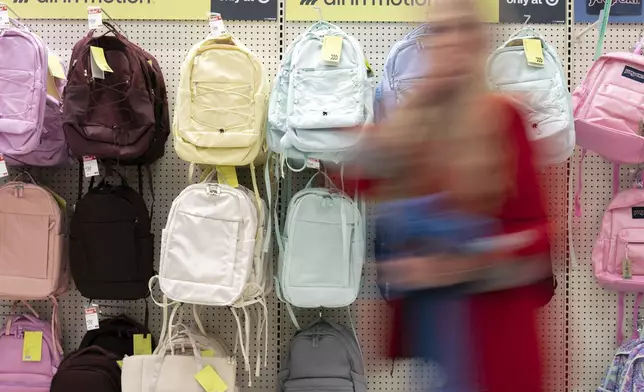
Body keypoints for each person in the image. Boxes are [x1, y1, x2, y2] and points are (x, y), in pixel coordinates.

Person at [344, 0, 554, 391]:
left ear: (478, 43)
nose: (451, 41)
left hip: (494, 348)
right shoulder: (411, 128)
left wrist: (458, 263)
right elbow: (353, 177)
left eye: (462, 30)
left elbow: (540, 237)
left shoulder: (502, 120)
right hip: (434, 348)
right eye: (440, 31)